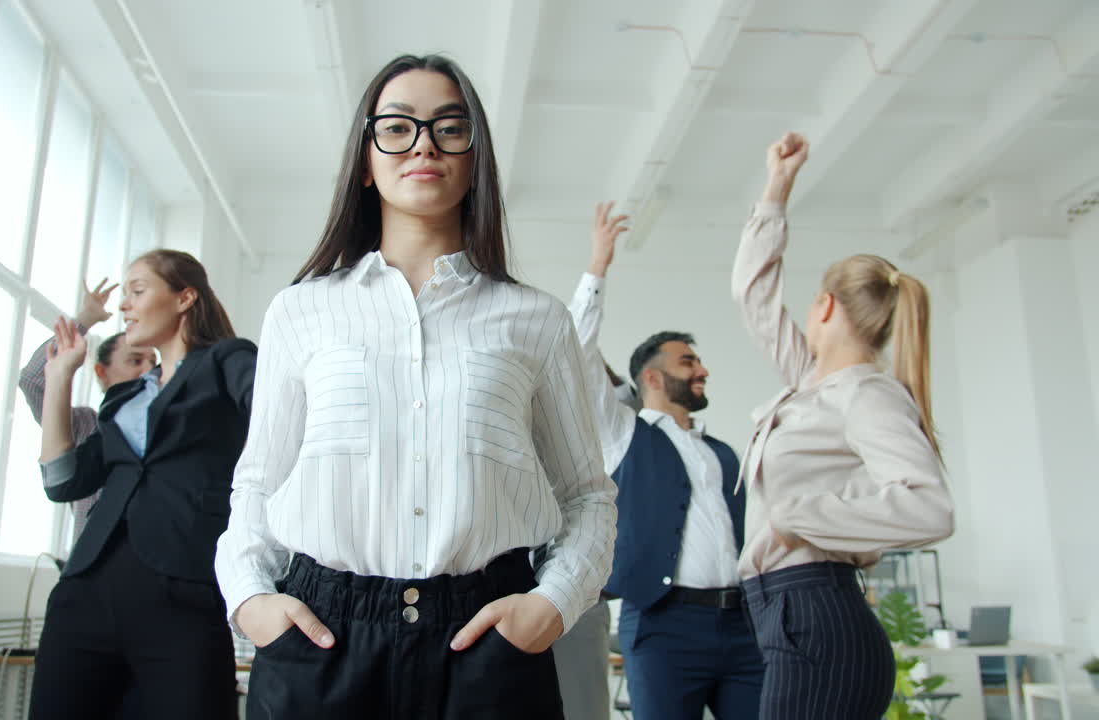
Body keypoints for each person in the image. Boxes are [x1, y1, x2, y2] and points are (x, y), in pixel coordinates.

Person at [215, 54, 617, 720]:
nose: (424, 142)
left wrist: (553, 603)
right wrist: (250, 599)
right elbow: (258, 482)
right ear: (365, 160)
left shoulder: (538, 321)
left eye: (449, 126)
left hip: (486, 645)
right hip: (322, 642)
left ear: (475, 156)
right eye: (397, 127)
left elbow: (586, 494)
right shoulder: (301, 311)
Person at [732, 132, 954, 719]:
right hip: (786, 616)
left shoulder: (866, 394)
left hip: (816, 618)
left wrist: (798, 516)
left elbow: (931, 507)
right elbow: (752, 296)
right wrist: (777, 186)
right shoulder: (813, 383)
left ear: (825, 306)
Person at [29, 250, 257, 719]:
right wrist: (59, 377)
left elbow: (282, 422)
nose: (123, 306)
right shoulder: (124, 396)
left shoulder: (227, 361)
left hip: (183, 588)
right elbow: (63, 480)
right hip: (86, 588)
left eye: (137, 291)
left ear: (184, 298)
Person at [565, 202, 763, 719]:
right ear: (652, 378)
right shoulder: (622, 432)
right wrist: (598, 264)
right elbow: (576, 349)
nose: (702, 370)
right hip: (663, 625)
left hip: (742, 627)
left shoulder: (721, 452)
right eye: (688, 361)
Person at [17, 279, 156, 542]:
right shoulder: (86, 425)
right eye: (135, 360)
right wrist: (85, 319)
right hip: (92, 568)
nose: (149, 371)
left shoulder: (167, 423)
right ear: (101, 373)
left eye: (153, 361)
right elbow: (33, 382)